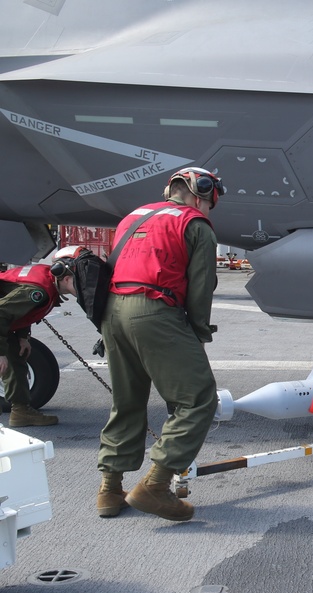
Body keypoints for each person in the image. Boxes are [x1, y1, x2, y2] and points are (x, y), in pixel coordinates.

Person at [96, 167, 225, 521]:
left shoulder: (134, 216)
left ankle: (109, 490)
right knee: (198, 397)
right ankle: (155, 485)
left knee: (126, 401)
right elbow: (201, 286)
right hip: (153, 310)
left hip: (112, 313)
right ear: (203, 191)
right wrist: (197, 334)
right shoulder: (194, 223)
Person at [0, 246, 82, 426]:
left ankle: (21, 412)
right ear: (66, 279)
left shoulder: (46, 280)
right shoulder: (40, 292)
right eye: (81, 282)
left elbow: (18, 309)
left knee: (16, 355)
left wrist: (23, 336)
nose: (85, 288)